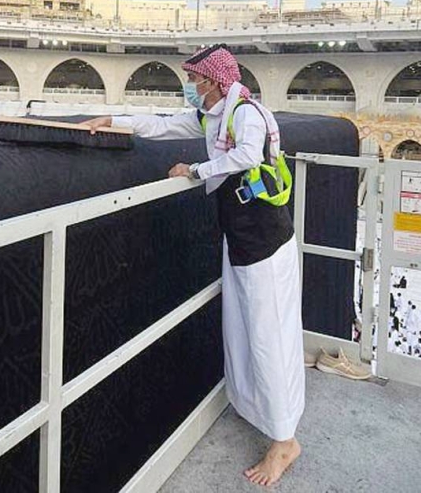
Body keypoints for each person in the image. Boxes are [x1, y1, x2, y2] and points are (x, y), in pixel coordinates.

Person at [81, 44, 305, 487]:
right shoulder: (213, 115)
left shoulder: (245, 113)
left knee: (267, 335)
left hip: (264, 240)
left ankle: (285, 442)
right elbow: (161, 126)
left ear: (216, 81)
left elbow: (247, 156)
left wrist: (195, 170)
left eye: (196, 79)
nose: (191, 86)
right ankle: (258, 410)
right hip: (241, 237)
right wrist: (113, 122)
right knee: (244, 330)